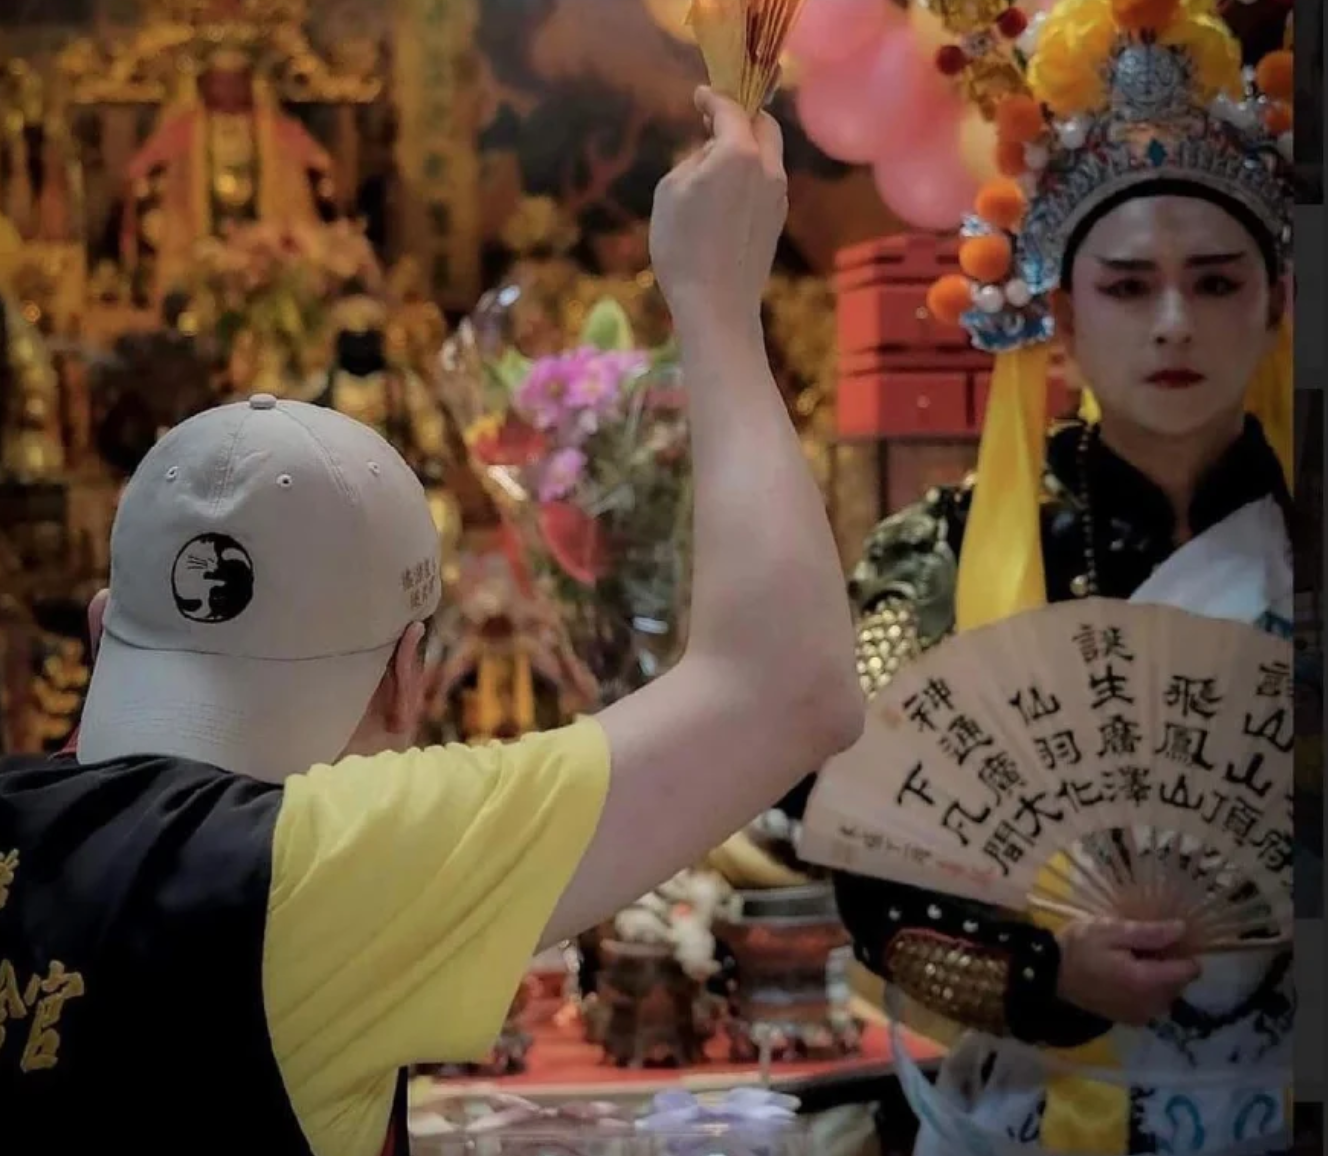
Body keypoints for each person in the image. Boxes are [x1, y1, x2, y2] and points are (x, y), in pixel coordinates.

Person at [0, 89, 863, 1155]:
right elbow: (790, 686)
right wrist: (717, 301)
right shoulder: (313, 867)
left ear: (101, 635)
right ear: (408, 675)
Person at [802, 2, 1296, 1153]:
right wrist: (1044, 969)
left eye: (1214, 283)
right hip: (1036, 1111)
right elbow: (872, 870)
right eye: (1125, 286)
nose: (1171, 323)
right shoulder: (934, 557)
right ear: (1060, 313)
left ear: (1275, 305)